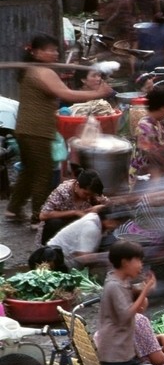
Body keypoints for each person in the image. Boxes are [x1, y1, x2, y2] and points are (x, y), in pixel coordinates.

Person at [8, 36, 112, 225]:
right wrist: (97, 93)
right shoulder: (42, 71)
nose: (55, 53)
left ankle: (13, 209)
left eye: (56, 49)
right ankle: (38, 217)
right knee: (43, 174)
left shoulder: (31, 70)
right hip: (36, 130)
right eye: (49, 49)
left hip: (25, 128)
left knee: (29, 171)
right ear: (35, 52)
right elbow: (66, 94)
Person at [95, 240, 155, 365]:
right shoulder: (113, 286)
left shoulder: (121, 281)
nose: (141, 265)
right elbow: (125, 315)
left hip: (124, 349)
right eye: (138, 260)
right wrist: (145, 291)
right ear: (124, 262)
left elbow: (128, 292)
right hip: (114, 350)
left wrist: (141, 288)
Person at [38, 169, 106, 243]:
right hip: (56, 232)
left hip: (78, 233)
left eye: (91, 195)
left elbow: (107, 204)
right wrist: (74, 212)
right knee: (54, 222)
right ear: (77, 185)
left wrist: (100, 207)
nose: (88, 197)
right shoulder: (63, 191)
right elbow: (43, 215)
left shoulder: (93, 194)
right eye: (86, 194)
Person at [133, 86, 164, 178]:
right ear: (163, 107)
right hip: (146, 175)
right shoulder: (145, 128)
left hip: (161, 171)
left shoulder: (157, 123)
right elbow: (153, 157)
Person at [135, 4, 164, 74]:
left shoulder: (141, 28)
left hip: (140, 69)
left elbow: (133, 53)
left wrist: (132, 72)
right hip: (157, 71)